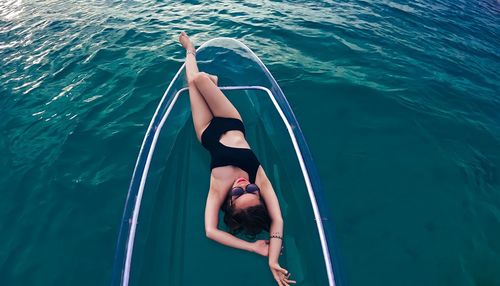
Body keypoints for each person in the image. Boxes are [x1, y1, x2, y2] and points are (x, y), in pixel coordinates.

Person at [178, 31, 296, 286]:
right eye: (250, 189)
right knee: (201, 79)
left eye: (238, 193)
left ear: (229, 205)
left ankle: (190, 49)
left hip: (206, 131)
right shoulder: (259, 179)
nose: (244, 184)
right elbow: (278, 220)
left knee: (192, 81)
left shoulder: (217, 189)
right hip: (231, 121)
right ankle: (212, 83)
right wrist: (273, 259)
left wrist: (253, 248)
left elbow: (210, 231)